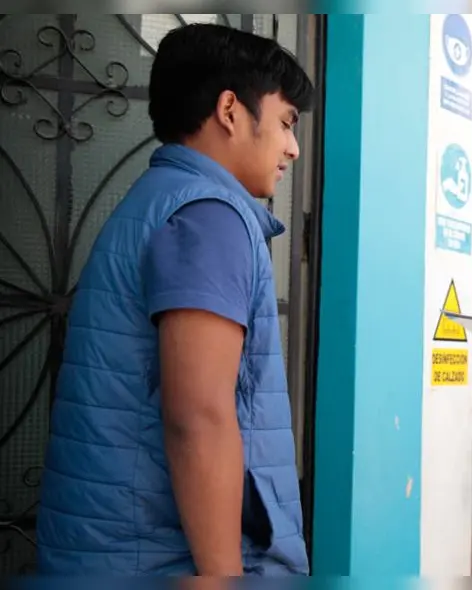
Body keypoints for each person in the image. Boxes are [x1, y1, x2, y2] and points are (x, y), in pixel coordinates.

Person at [36, 24, 313, 576]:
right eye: (286, 121)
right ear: (230, 110)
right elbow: (198, 416)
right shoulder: (210, 217)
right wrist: (222, 577)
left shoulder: (159, 200)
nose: (293, 148)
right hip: (161, 561)